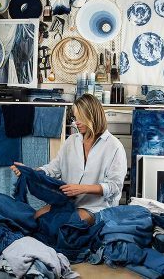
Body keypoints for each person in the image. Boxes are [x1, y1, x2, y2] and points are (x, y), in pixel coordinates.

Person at [11, 94, 127, 224]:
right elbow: (54, 169)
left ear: (93, 116)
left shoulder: (114, 146)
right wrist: (30, 172)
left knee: (65, 224)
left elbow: (115, 187)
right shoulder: (71, 141)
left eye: (81, 118)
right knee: (35, 219)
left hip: (96, 208)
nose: (76, 122)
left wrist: (83, 188)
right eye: (75, 117)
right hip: (66, 203)